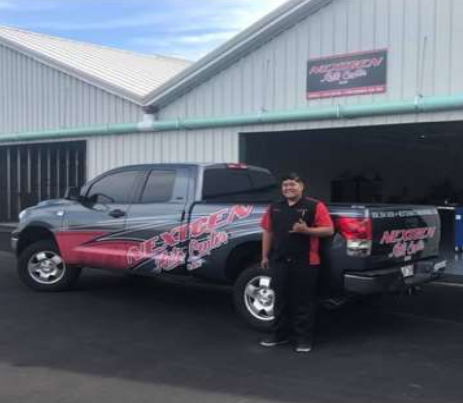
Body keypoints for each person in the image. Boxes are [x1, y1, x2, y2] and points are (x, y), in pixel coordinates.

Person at [259, 172, 334, 353]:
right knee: (280, 299)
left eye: (293, 184)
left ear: (301, 187)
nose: (288, 188)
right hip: (280, 261)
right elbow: (268, 232)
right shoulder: (274, 208)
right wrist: (264, 256)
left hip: (307, 261)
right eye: (285, 185)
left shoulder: (315, 206)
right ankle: (279, 335)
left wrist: (306, 230)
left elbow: (329, 230)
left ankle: (303, 339)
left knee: (304, 301)